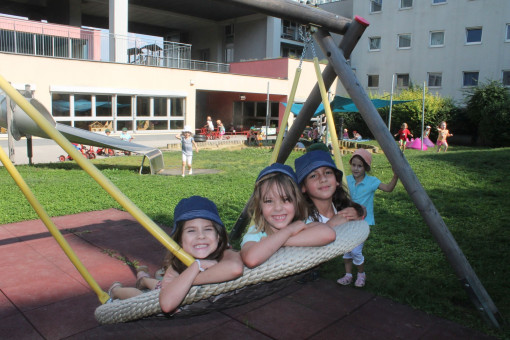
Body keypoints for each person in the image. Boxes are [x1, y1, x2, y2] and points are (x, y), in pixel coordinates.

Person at [107, 196, 244, 314]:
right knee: (140, 297)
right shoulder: (176, 265)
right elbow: (166, 304)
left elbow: (235, 268)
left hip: (174, 285)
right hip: (164, 291)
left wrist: (187, 279)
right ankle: (117, 290)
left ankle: (144, 279)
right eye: (191, 231)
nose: (201, 236)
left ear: (218, 236)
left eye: (208, 229)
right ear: (179, 239)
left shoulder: (225, 253)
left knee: (159, 284)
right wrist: (197, 266)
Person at [240, 163, 336, 269]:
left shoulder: (301, 223)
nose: (278, 208)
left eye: (286, 199)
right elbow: (251, 259)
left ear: (297, 201)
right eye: (268, 201)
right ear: (260, 206)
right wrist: (288, 231)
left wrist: (279, 240)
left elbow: (328, 234)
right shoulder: (257, 233)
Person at [294, 151, 365, 283]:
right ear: (303, 187)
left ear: (337, 181)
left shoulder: (339, 205)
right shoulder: (304, 216)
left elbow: (363, 209)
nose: (323, 179)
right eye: (314, 175)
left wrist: (358, 212)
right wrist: (331, 225)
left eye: (327, 172)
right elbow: (302, 240)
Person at [340, 148, 398, 287]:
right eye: (353, 165)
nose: (355, 168)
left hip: (362, 222)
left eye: (360, 166)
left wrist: (396, 176)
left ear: (366, 167)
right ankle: (348, 275)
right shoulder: (346, 180)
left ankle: (361, 275)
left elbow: (388, 188)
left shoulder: (372, 181)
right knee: (346, 250)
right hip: (347, 220)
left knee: (355, 251)